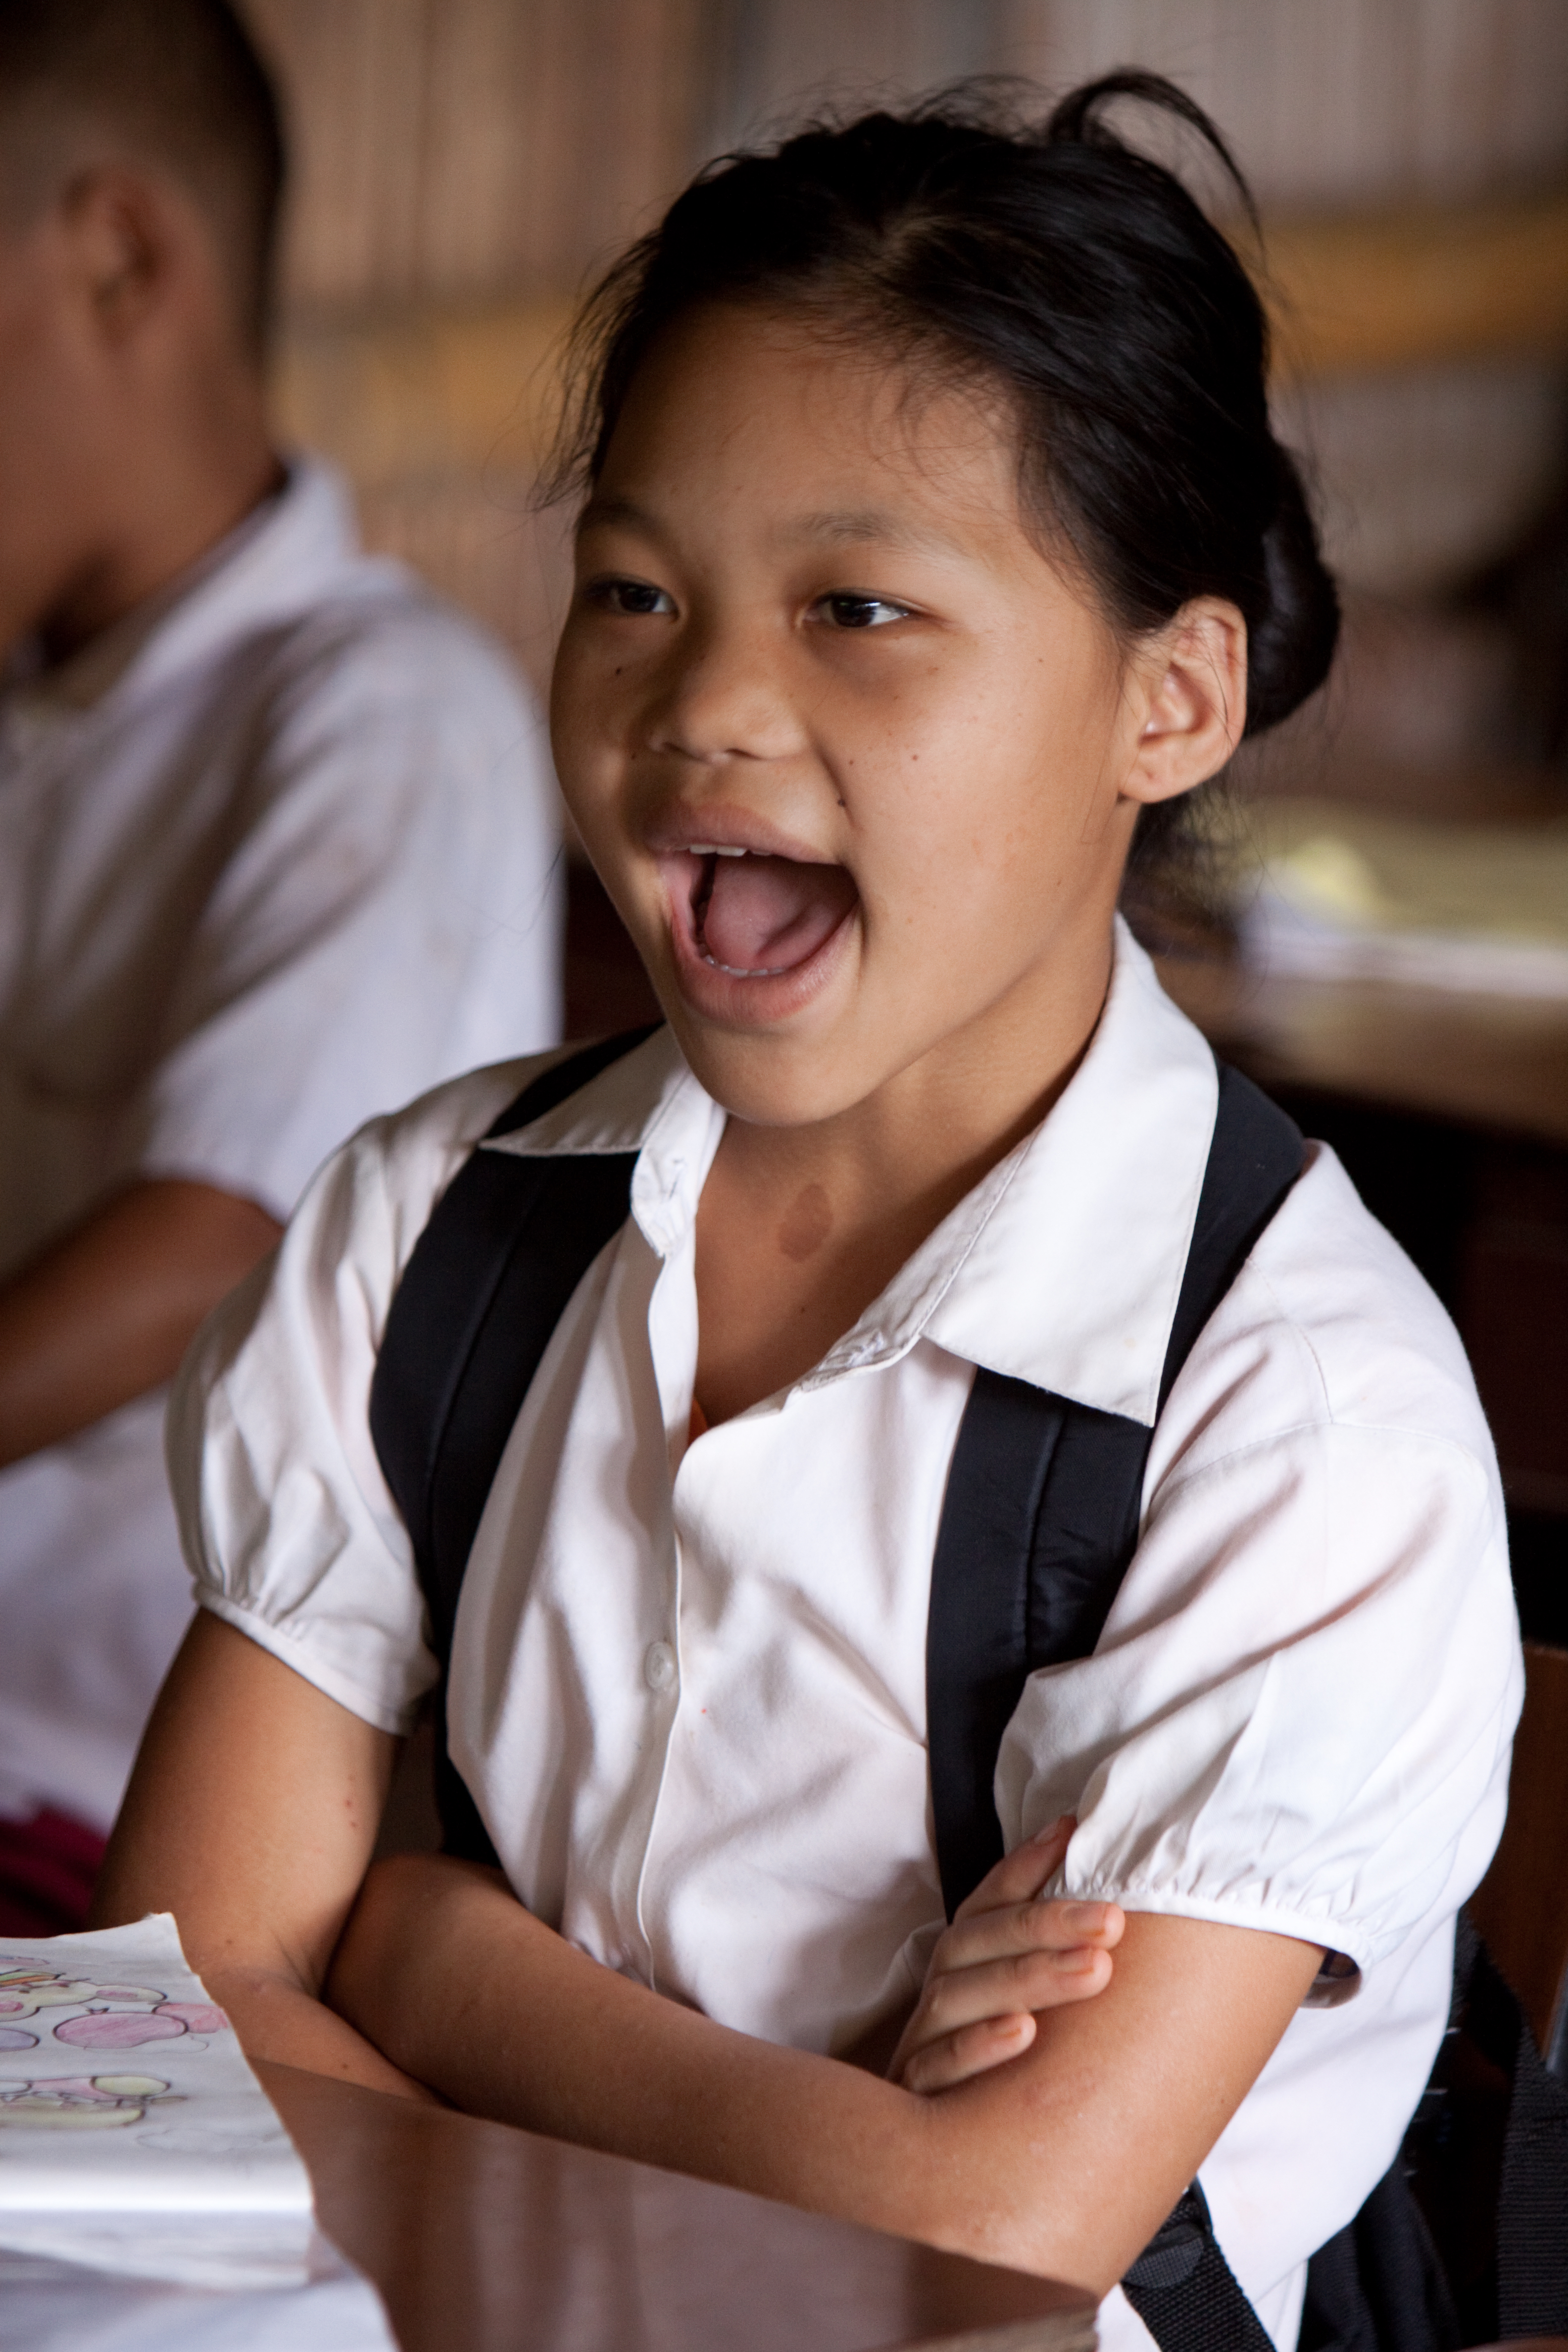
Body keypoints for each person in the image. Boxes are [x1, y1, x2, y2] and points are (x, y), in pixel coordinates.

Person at [96, 76, 1520, 2350]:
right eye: (633, 590)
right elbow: (161, 2029)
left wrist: (437, 1964)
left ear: (1170, 701)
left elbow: (996, 2245)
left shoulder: (1293, 1413)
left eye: (858, 606)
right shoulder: (427, 1233)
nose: (705, 703)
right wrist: (793, 2127)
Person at [0, 0, 562, 1930]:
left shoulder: (382, 714)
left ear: (115, 258)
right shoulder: (41, 720)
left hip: (104, 1799)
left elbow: (218, 1236)